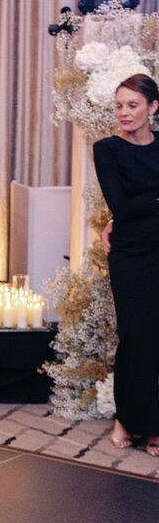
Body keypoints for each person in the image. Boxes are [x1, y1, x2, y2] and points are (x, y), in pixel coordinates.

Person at [92, 72, 159, 456]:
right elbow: (120, 205)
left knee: (156, 339)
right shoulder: (107, 149)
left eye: (132, 105)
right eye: (119, 105)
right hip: (130, 256)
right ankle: (127, 419)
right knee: (134, 336)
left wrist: (141, 207)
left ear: (153, 107)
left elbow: (134, 207)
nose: (124, 112)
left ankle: (151, 426)